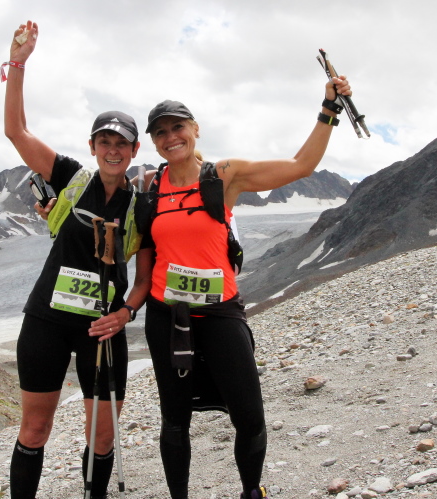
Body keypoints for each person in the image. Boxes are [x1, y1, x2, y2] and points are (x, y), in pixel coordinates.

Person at [139, 76, 352, 499]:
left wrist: (329, 109)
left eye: (177, 127)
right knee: (175, 420)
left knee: (249, 416)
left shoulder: (223, 176)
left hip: (220, 313)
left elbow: (300, 166)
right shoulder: (149, 186)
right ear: (154, 142)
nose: (170, 137)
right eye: (160, 132)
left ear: (195, 129)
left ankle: (252, 491)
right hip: (167, 316)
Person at [3, 20, 152, 499]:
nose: (113, 149)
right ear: (92, 147)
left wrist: (126, 313)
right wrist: (18, 65)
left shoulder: (141, 205)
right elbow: (15, 131)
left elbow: (144, 279)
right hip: (46, 321)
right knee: (35, 429)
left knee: (103, 436)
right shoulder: (70, 176)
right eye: (104, 142)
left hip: (102, 329)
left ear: (134, 150)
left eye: (121, 143)